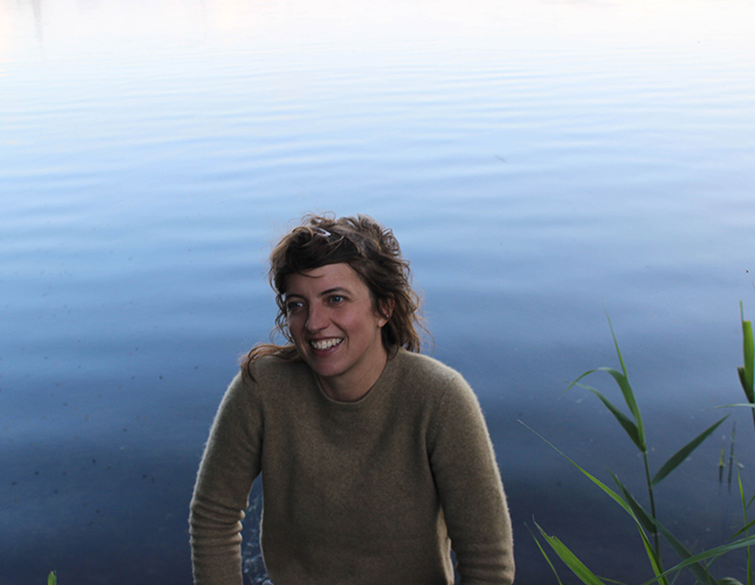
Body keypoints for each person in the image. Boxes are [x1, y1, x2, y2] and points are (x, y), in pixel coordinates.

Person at [189, 214, 514, 585]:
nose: (313, 323)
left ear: (383, 309)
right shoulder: (262, 388)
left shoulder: (438, 399)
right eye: (297, 304)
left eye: (336, 299)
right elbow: (213, 517)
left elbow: (487, 562)